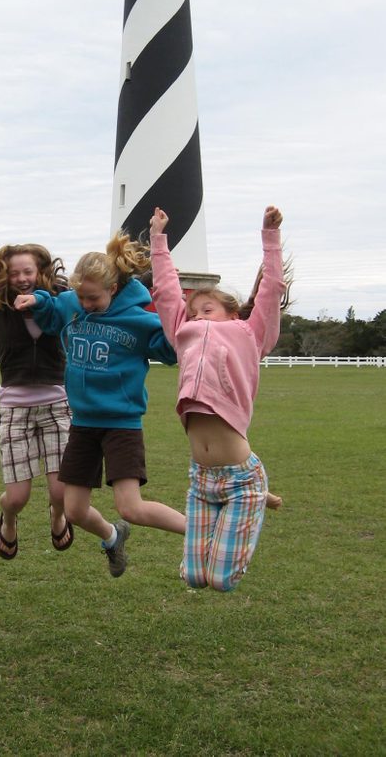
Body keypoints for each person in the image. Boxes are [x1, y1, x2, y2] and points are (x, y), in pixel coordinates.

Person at [14, 232, 186, 578]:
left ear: (113, 289)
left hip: (121, 424)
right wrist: (37, 302)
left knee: (131, 507)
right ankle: (112, 536)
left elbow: (171, 350)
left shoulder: (139, 321)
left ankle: (200, 531)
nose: (85, 304)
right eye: (81, 296)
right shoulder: (73, 304)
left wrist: (175, 324)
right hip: (83, 424)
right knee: (74, 510)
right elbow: (54, 310)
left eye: (93, 298)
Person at [149, 204, 286, 591]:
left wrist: (269, 236)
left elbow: (271, 290)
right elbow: (165, 292)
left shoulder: (250, 333)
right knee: (194, 578)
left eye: (206, 309)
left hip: (241, 478)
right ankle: (263, 498)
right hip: (201, 478)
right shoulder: (183, 334)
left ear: (231, 311)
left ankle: (259, 495)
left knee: (221, 580)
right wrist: (159, 238)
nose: (196, 317)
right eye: (192, 313)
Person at [0, 176, 74, 559]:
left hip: (58, 403)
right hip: (15, 406)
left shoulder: (61, 299)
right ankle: (8, 521)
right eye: (14, 273)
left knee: (62, 491)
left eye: (28, 271)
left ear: (40, 271)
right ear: (6, 276)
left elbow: (103, 289)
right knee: (17, 496)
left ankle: (57, 515)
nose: (22, 278)